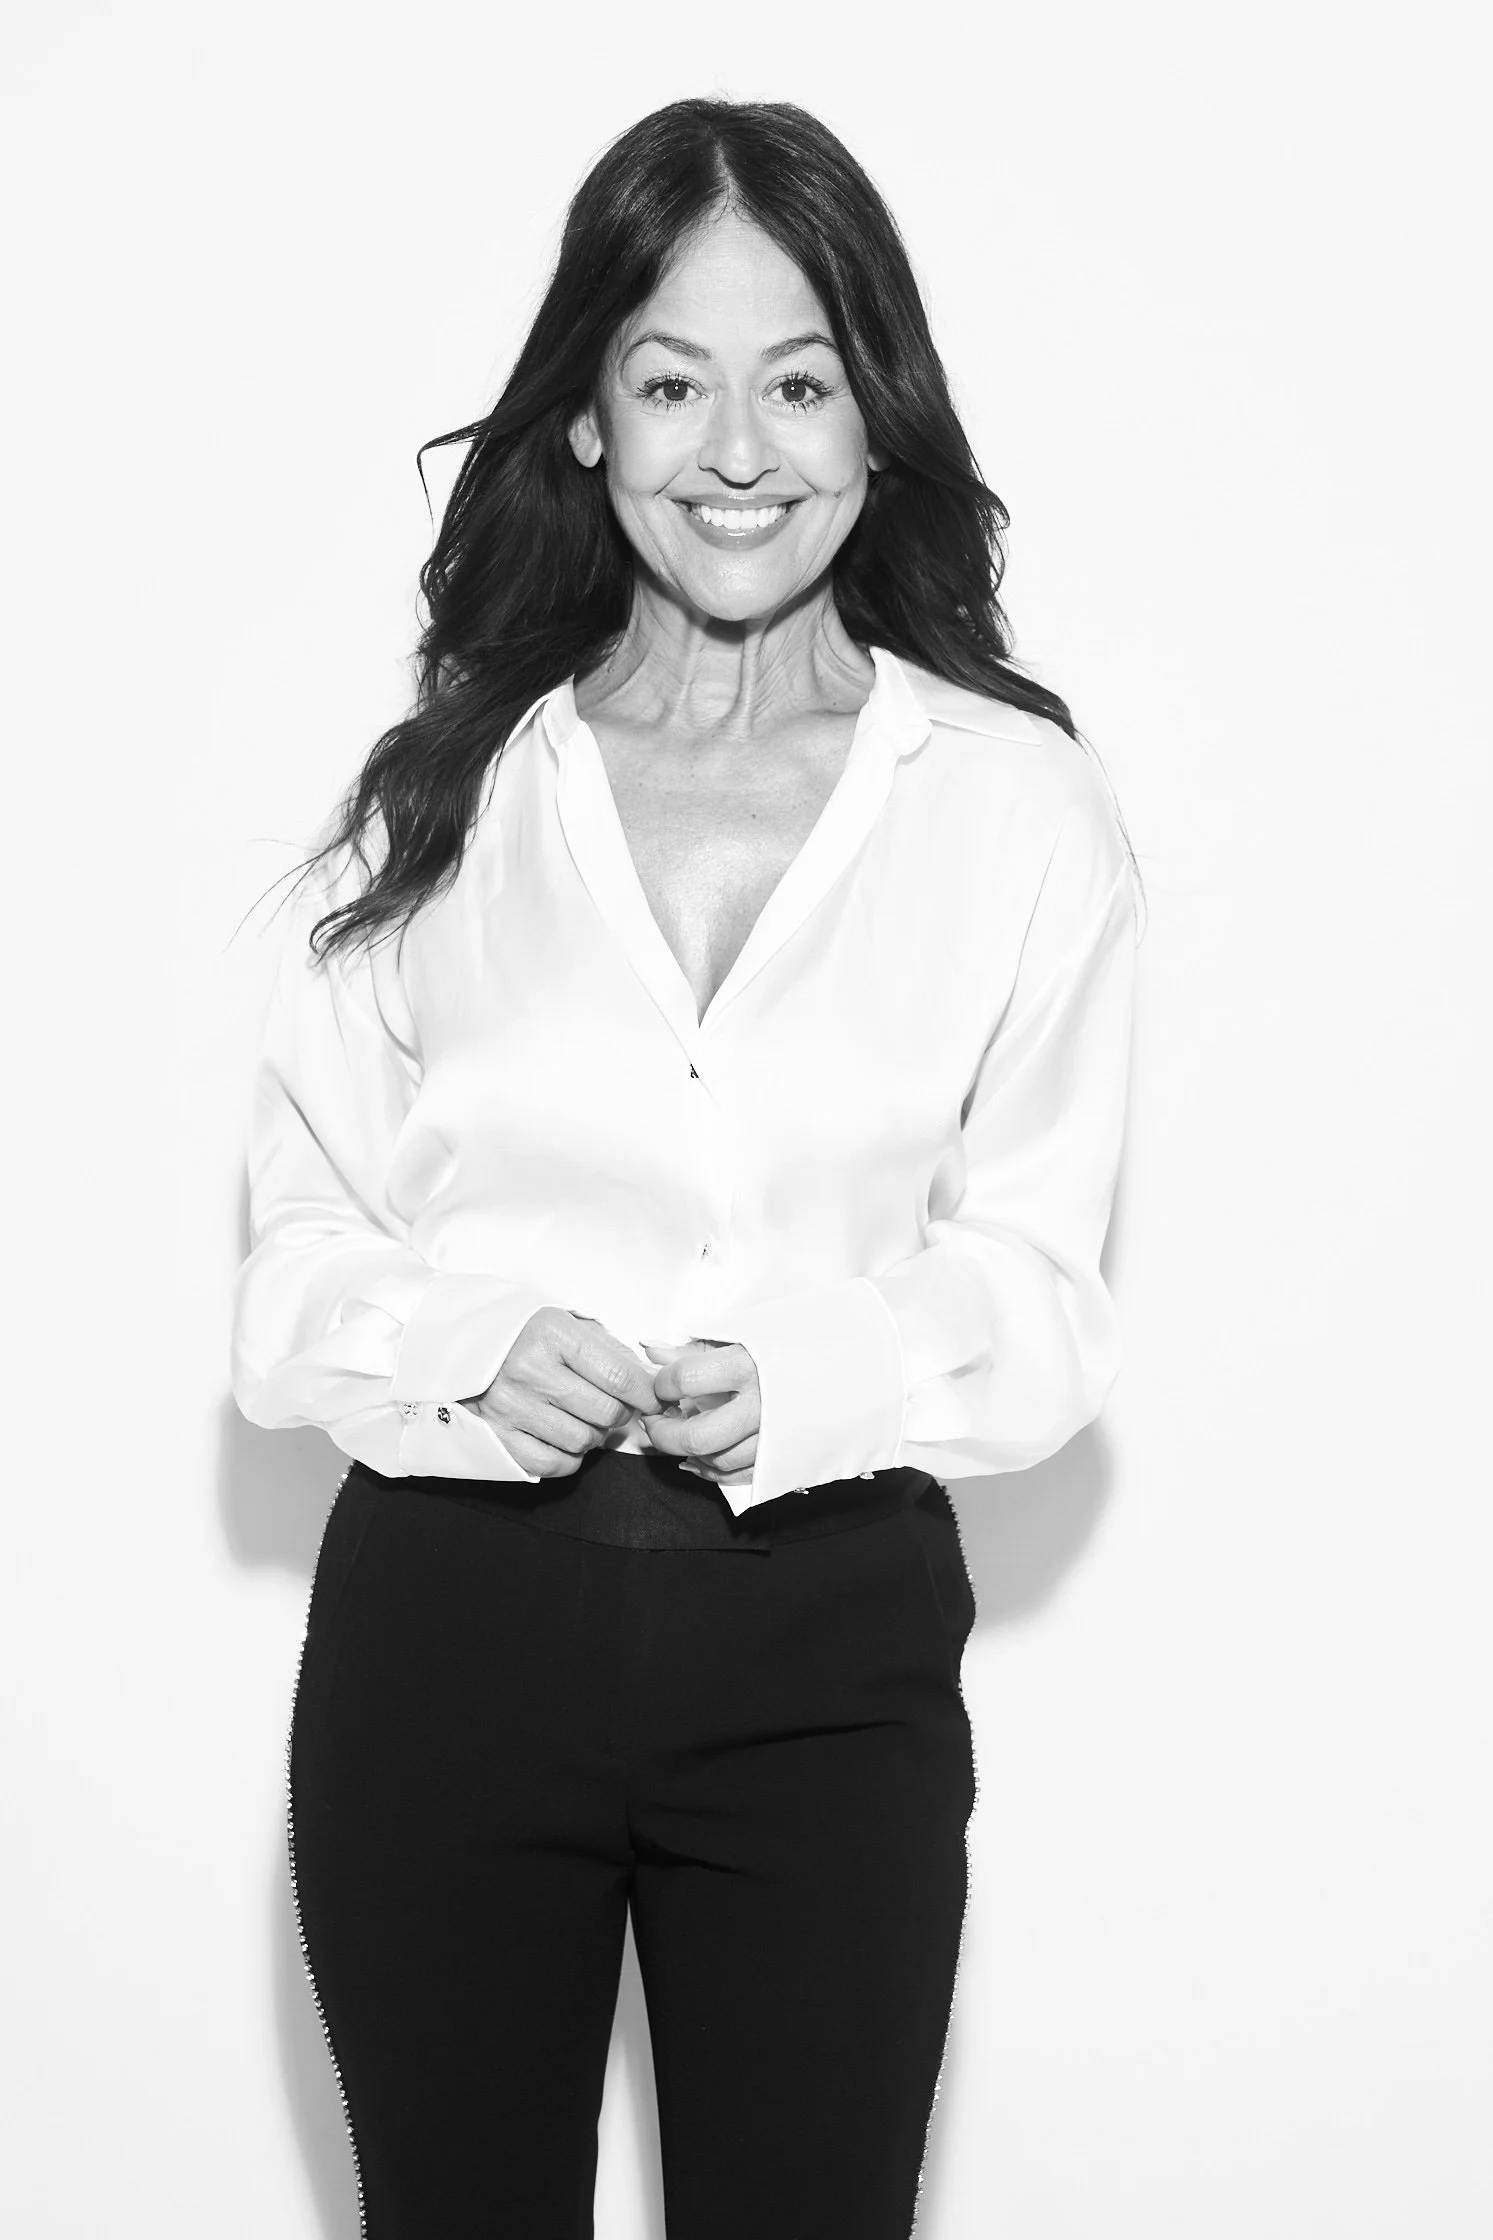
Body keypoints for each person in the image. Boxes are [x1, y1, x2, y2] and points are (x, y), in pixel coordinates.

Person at [230, 95, 1140, 2240]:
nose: (737, 447)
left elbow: (1041, 1294)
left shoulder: (1015, 811)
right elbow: (285, 1275)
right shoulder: (435, 803)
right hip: (448, 1640)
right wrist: (466, 1340)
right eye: (668, 380)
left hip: (821, 1641)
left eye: (798, 379)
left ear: (873, 416)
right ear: (581, 424)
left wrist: (809, 1376)